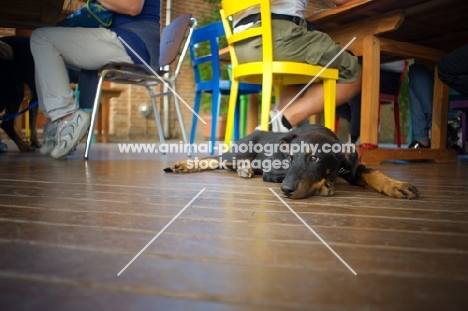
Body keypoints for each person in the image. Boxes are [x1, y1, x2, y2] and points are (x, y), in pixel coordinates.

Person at [30, 0, 161, 159]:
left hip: (133, 40)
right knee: (45, 46)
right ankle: (55, 125)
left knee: (41, 38)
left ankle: (66, 119)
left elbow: (132, 7)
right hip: (122, 37)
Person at [233, 0, 362, 132]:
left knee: (305, 75)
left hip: (240, 47)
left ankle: (270, 130)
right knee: (353, 71)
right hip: (276, 37)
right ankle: (280, 124)